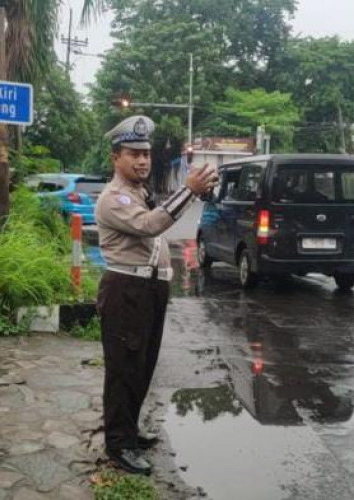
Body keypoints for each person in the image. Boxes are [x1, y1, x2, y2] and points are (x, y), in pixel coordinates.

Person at [95, 115, 217, 475]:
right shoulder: (113, 198)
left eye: (146, 153)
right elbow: (151, 224)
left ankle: (129, 431)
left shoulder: (139, 193)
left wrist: (197, 191)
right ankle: (119, 445)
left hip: (149, 289)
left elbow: (160, 216)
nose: (142, 160)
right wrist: (189, 190)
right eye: (133, 153)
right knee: (123, 369)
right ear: (116, 157)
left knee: (143, 365)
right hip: (126, 290)